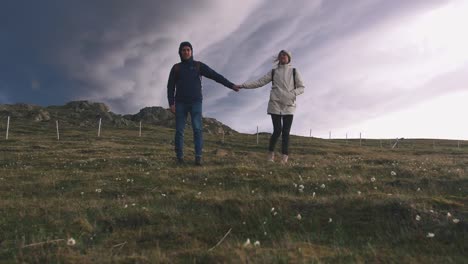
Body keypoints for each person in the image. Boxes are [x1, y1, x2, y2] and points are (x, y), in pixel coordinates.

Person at [167, 41, 239, 166]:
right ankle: (179, 158)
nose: (186, 52)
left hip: (196, 102)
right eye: (183, 50)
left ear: (191, 52)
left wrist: (231, 85)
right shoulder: (176, 68)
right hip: (180, 103)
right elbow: (170, 87)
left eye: (188, 49)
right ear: (180, 52)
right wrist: (171, 103)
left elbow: (215, 75)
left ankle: (198, 158)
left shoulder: (198, 66)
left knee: (197, 129)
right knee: (179, 131)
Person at [235, 50, 305, 164]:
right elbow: (259, 82)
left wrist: (292, 94)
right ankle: (270, 155)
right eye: (281, 55)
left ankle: (284, 158)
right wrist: (243, 85)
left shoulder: (294, 71)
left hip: (289, 105)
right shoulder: (273, 72)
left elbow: (301, 87)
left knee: (286, 132)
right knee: (277, 130)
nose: (282, 57)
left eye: (285, 55)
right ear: (279, 58)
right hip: (275, 104)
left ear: (289, 58)